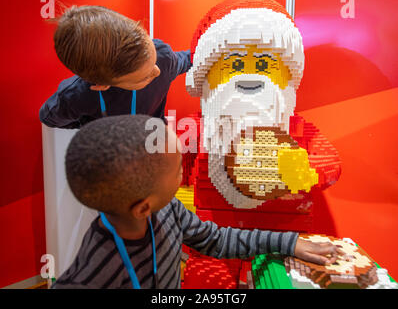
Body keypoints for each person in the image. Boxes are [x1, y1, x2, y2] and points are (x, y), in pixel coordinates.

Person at [52, 114, 343, 289]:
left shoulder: (167, 209)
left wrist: (290, 244)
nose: (185, 174)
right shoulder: (90, 276)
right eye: (179, 170)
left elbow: (216, 239)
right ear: (143, 207)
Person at [39, 6, 191, 129]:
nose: (157, 72)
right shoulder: (76, 96)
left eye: (154, 60)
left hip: (154, 143)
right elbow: (49, 118)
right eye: (144, 77)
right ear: (102, 85)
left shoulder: (164, 57)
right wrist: (88, 126)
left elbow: (185, 60)